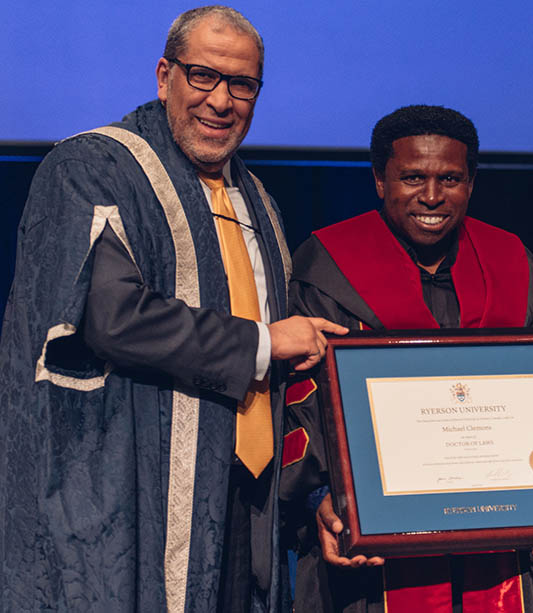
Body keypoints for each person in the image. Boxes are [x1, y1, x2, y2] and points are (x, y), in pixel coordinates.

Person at [0, 6, 345, 612]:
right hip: (133, 482)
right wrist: (263, 343)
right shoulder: (94, 166)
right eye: (202, 76)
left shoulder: (256, 197)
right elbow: (111, 317)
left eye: (242, 84)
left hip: (247, 495)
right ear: (165, 77)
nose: (221, 100)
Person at [280, 105, 533, 613]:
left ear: (471, 182)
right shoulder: (329, 266)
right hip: (375, 559)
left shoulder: (514, 264)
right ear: (379, 180)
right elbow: (299, 401)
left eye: (450, 179)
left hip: (505, 548)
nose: (433, 196)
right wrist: (319, 501)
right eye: (413, 178)